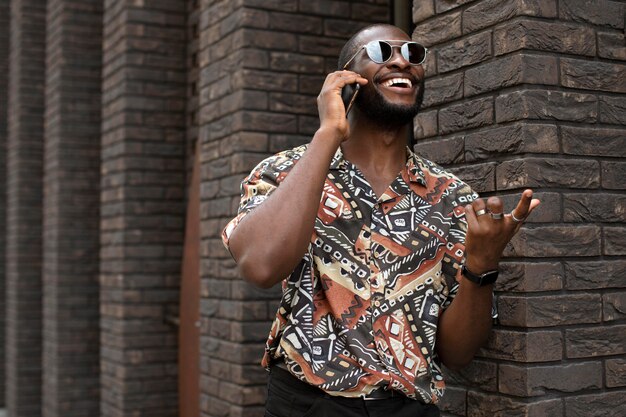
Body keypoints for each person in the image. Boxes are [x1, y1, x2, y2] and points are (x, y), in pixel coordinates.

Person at [222, 23, 540, 417]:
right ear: (344, 79)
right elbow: (260, 266)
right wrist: (329, 133)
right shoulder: (284, 172)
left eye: (412, 53)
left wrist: (482, 264)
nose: (401, 61)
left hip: (408, 408)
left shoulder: (454, 197)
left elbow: (457, 352)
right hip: (306, 405)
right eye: (381, 52)